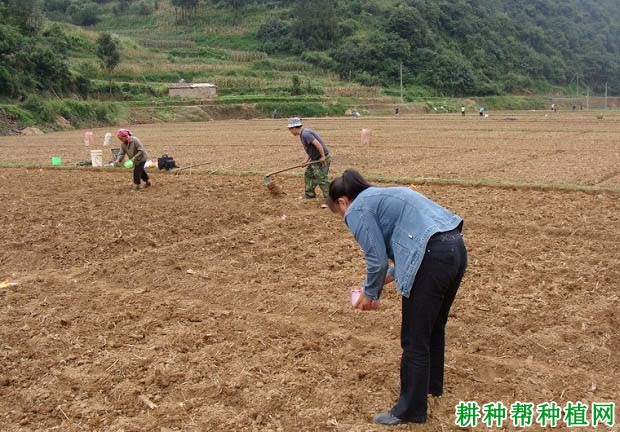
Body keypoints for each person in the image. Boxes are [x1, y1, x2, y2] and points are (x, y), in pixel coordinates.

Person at [327, 170, 467, 426]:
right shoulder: (384, 195)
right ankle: (431, 386)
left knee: (414, 338)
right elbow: (411, 250)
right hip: (455, 248)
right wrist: (382, 280)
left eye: (340, 213)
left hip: (431, 256)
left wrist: (370, 294)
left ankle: (411, 409)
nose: (344, 218)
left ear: (342, 202)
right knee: (433, 326)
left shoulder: (357, 209)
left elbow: (377, 259)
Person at [287, 117, 331, 207]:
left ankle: (330, 200)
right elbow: (310, 150)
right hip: (315, 159)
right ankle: (310, 194)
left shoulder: (306, 134)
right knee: (309, 174)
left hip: (321, 158)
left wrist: (322, 156)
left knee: (321, 178)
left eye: (290, 129)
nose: (290, 132)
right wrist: (305, 161)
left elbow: (317, 144)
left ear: (294, 128)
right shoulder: (302, 135)